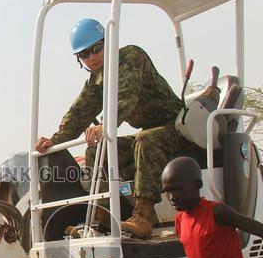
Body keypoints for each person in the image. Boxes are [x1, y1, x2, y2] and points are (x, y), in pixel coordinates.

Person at [35, 18, 197, 239]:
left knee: (145, 140)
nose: (92, 58)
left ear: (107, 42)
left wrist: (106, 125)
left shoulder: (131, 57)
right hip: (150, 132)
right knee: (95, 151)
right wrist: (55, 140)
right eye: (84, 54)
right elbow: (79, 111)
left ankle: (142, 217)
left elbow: (125, 97)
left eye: (96, 49)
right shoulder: (97, 80)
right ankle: (103, 218)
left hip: (176, 130)